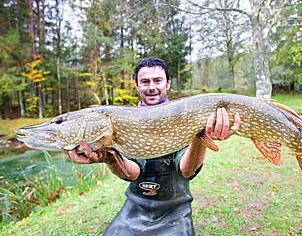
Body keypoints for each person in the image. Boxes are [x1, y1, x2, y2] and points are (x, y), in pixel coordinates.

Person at [65, 56, 241, 235]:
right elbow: (133, 173)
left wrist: (199, 136)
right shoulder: (124, 121)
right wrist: (109, 158)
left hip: (176, 207)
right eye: (145, 81)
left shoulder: (184, 115)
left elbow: (186, 171)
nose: (151, 87)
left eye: (157, 80)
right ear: (137, 85)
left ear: (168, 83)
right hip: (136, 205)